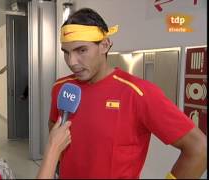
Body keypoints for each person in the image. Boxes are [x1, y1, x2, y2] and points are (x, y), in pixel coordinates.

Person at [48, 8, 207, 179]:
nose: (71, 62)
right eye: (66, 52)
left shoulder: (139, 93)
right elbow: (54, 130)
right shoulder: (61, 87)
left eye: (81, 50)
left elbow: (199, 149)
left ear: (105, 45)